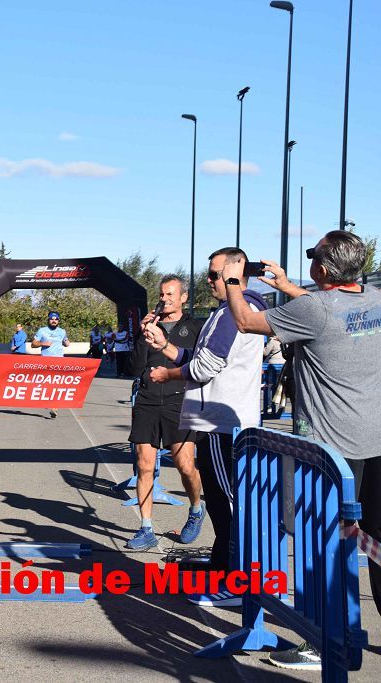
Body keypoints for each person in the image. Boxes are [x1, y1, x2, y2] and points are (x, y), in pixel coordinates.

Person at [220, 232, 381, 670]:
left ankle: (324, 640)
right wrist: (288, 286)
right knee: (376, 546)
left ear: (323, 271)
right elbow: (332, 311)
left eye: (315, 259)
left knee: (322, 544)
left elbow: (247, 322)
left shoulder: (313, 309)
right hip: (376, 441)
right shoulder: (373, 299)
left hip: (332, 451)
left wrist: (233, 282)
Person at [146, 247, 267, 607]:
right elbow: (199, 358)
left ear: (235, 274)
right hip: (223, 419)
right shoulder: (232, 309)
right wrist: (167, 347)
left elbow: (205, 367)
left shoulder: (235, 309)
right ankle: (223, 568)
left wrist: (168, 374)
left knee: (228, 504)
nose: (210, 281)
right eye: (210, 275)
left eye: (214, 275)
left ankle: (234, 580)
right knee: (221, 501)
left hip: (223, 422)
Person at [125, 276, 205, 550]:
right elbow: (134, 368)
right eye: (162, 294)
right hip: (147, 401)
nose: (165, 299)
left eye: (171, 294)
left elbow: (201, 363)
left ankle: (196, 509)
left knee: (185, 466)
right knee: (144, 465)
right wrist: (141, 333)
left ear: (183, 297)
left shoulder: (195, 326)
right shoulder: (150, 327)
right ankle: (146, 528)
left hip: (179, 402)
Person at [32, 311, 70, 417]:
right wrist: (43, 343)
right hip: (46, 361)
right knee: (47, 384)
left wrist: (66, 343)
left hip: (59, 361)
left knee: (56, 385)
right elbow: (33, 344)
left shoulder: (62, 331)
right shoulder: (42, 330)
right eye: (52, 319)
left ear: (58, 320)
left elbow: (65, 341)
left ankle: (54, 407)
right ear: (48, 320)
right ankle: (48, 400)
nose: (54, 321)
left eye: (56, 319)